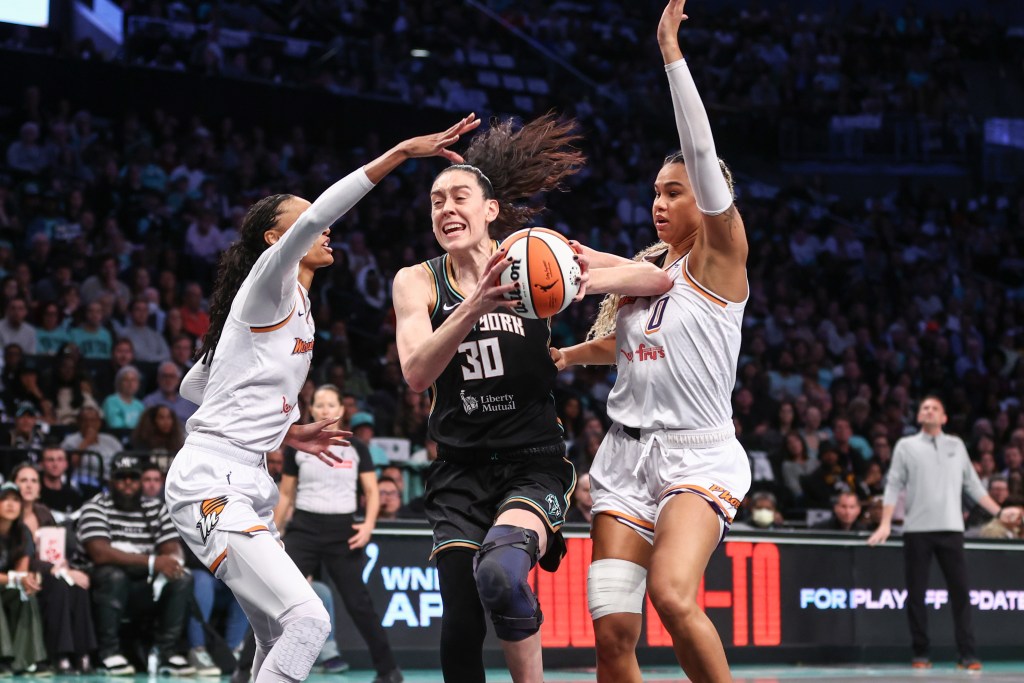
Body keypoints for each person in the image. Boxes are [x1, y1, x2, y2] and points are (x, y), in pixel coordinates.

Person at [164, 116, 479, 683]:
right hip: (212, 481)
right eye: (305, 224)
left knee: (276, 634)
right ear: (276, 242)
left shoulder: (301, 310)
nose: (325, 230)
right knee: (309, 621)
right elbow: (317, 215)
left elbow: (195, 387)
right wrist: (400, 154)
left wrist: (286, 433)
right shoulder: (267, 286)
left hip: (250, 478)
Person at [392, 113, 669, 683]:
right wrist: (476, 305)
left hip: (532, 464)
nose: (446, 208)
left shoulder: (531, 256)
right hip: (457, 473)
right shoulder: (416, 281)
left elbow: (656, 281)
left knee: (499, 574)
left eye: (459, 196)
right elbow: (417, 374)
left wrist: (582, 275)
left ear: (490, 209)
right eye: (436, 200)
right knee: (462, 625)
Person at [550, 3, 751, 680]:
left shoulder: (720, 260)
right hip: (623, 461)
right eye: (655, 193)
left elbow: (698, 149)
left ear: (710, 198)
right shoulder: (650, 271)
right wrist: (574, 353)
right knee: (612, 634)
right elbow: (631, 349)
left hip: (696, 458)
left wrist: (670, 51)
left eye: (675, 191)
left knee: (671, 593)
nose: (660, 203)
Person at [272, 383, 400, 683]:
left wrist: (368, 525)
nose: (325, 409)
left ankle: (389, 671)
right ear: (312, 409)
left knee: (359, 603)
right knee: (276, 599)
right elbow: (287, 494)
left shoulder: (357, 449)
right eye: (320, 404)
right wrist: (274, 533)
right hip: (303, 529)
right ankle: (243, 672)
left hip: (343, 531)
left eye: (332, 404)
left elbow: (371, 490)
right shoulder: (300, 448)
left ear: (342, 410)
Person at [867, 396, 1002, 671]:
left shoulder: (957, 445)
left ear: (944, 418)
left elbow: (974, 487)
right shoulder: (906, 446)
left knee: (961, 593)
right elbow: (893, 485)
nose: (929, 411)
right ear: (918, 417)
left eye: (935, 408)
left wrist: (1000, 513)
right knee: (916, 593)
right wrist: (885, 523)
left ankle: (967, 655)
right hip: (917, 530)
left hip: (952, 529)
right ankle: (921, 653)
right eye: (924, 408)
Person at [78, 455, 194, 675]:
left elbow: (172, 548)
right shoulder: (95, 506)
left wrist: (172, 562)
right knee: (113, 575)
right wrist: (152, 561)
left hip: (144, 584)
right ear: (111, 481)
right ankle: (108, 652)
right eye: (121, 478)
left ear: (141, 481)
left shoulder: (156, 508)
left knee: (183, 578)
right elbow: (100, 553)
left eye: (133, 477)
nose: (128, 482)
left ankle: (165, 652)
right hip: (105, 586)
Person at [10, 463, 96, 674]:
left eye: (33, 481)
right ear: (14, 485)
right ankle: (60, 655)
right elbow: (18, 557)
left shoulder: (44, 512)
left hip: (50, 570)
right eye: (23, 480)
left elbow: (55, 549)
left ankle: (83, 654)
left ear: (40, 488)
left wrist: (65, 566)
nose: (29, 486)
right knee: (58, 584)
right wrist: (56, 570)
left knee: (79, 584)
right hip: (23, 572)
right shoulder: (9, 512)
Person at [0, 482, 47, 675]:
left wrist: (28, 581)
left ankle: (26, 659)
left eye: (15, 500)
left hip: (5, 585)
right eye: (4, 499)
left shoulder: (22, 532)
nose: (11, 504)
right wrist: (16, 578)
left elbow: (22, 572)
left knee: (25, 593)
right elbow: (16, 576)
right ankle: (3, 657)